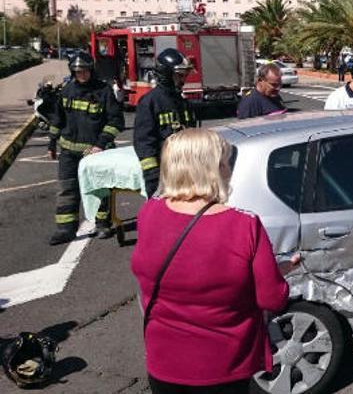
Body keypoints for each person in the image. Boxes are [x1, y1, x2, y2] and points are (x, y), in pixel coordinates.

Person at [131, 128, 292, 394]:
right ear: (212, 169)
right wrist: (281, 272)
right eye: (226, 161)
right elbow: (272, 299)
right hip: (223, 365)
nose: (229, 168)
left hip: (164, 361)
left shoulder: (150, 212)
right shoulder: (244, 225)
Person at [47, 52, 125, 245]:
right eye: (77, 72)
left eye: (84, 71)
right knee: (67, 189)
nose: (81, 75)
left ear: (91, 70)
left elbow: (116, 121)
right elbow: (58, 118)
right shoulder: (67, 91)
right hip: (68, 152)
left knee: (99, 189)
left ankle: (102, 224)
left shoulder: (104, 91)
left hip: (95, 152)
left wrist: (101, 144)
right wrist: (51, 142)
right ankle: (65, 229)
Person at [134, 48, 197, 197]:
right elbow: (144, 142)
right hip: (162, 175)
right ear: (166, 75)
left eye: (185, 75)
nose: (183, 80)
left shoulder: (182, 102)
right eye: (179, 76)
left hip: (186, 169)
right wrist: (153, 176)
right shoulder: (150, 102)